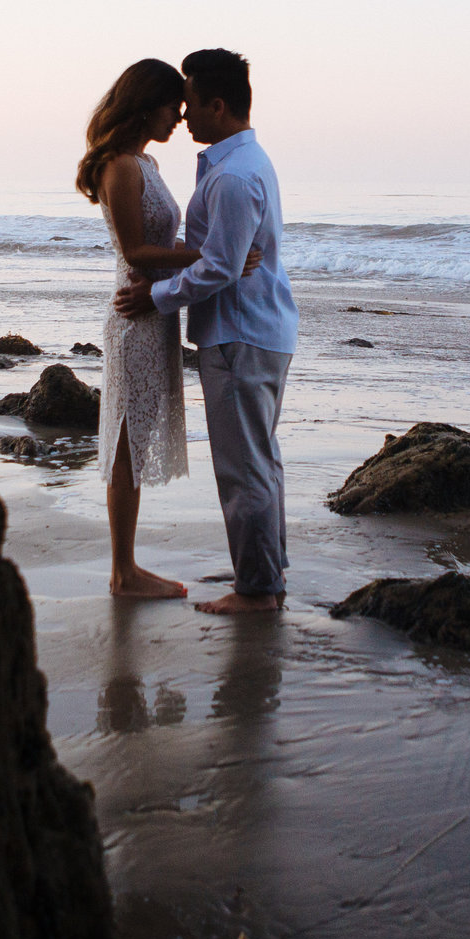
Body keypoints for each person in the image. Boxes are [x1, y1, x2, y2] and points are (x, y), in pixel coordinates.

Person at [115, 49, 298, 616]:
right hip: (256, 330)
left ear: (218, 105)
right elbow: (221, 259)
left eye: (191, 104)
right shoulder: (239, 164)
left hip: (240, 335)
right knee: (260, 462)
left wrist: (156, 295)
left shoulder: (236, 176)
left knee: (244, 469)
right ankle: (264, 575)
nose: (184, 115)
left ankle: (258, 591)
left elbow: (219, 266)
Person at [78, 59, 260, 598]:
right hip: (136, 313)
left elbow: (160, 246)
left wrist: (206, 256)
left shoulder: (145, 162)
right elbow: (135, 250)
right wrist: (208, 255)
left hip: (154, 311)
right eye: (172, 106)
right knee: (126, 440)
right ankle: (122, 572)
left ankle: (125, 568)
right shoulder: (121, 166)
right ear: (144, 105)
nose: (180, 117)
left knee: (132, 436)